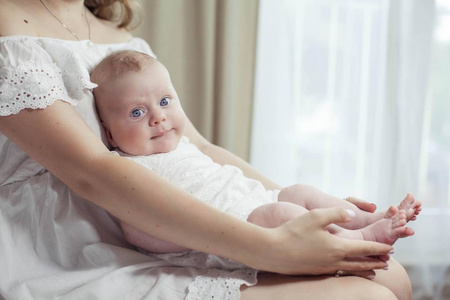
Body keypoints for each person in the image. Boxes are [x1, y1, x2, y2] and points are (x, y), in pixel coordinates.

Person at [0, 1, 413, 299]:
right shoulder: (8, 24)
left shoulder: (124, 41)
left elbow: (198, 145)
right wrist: (273, 246)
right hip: (70, 248)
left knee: (394, 277)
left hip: (182, 221)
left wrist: (293, 211)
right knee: (368, 296)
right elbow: (92, 170)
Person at [91, 50, 421, 255]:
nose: (158, 116)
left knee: (296, 192)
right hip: (235, 234)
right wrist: (203, 238)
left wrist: (272, 196)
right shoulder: (130, 169)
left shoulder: (184, 144)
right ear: (108, 133)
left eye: (165, 102)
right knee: (276, 215)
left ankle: (368, 219)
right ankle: (357, 239)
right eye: (137, 112)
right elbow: (137, 230)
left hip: (256, 202)